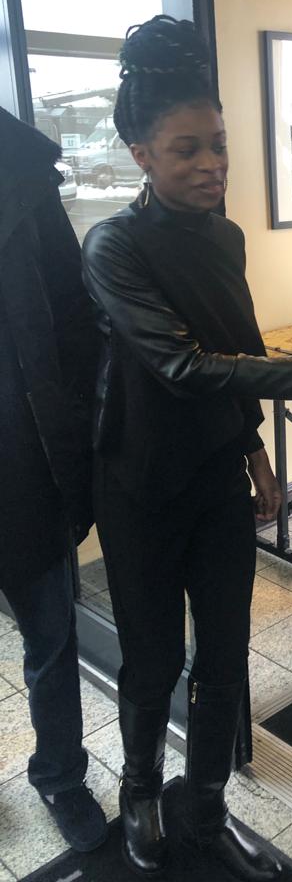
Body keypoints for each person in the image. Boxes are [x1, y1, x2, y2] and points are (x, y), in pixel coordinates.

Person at [81, 16, 292, 881]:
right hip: (136, 485)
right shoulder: (112, 247)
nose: (211, 166)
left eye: (220, 146)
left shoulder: (227, 235)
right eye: (186, 151)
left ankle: (206, 804)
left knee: (225, 648)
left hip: (213, 478)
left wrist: (255, 457)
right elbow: (179, 365)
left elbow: (233, 343)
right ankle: (140, 793)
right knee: (154, 655)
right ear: (139, 153)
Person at [0, 106, 107, 853]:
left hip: (21, 458)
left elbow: (75, 316)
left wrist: (73, 430)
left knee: (51, 635)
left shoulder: (21, 176)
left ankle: (62, 774)